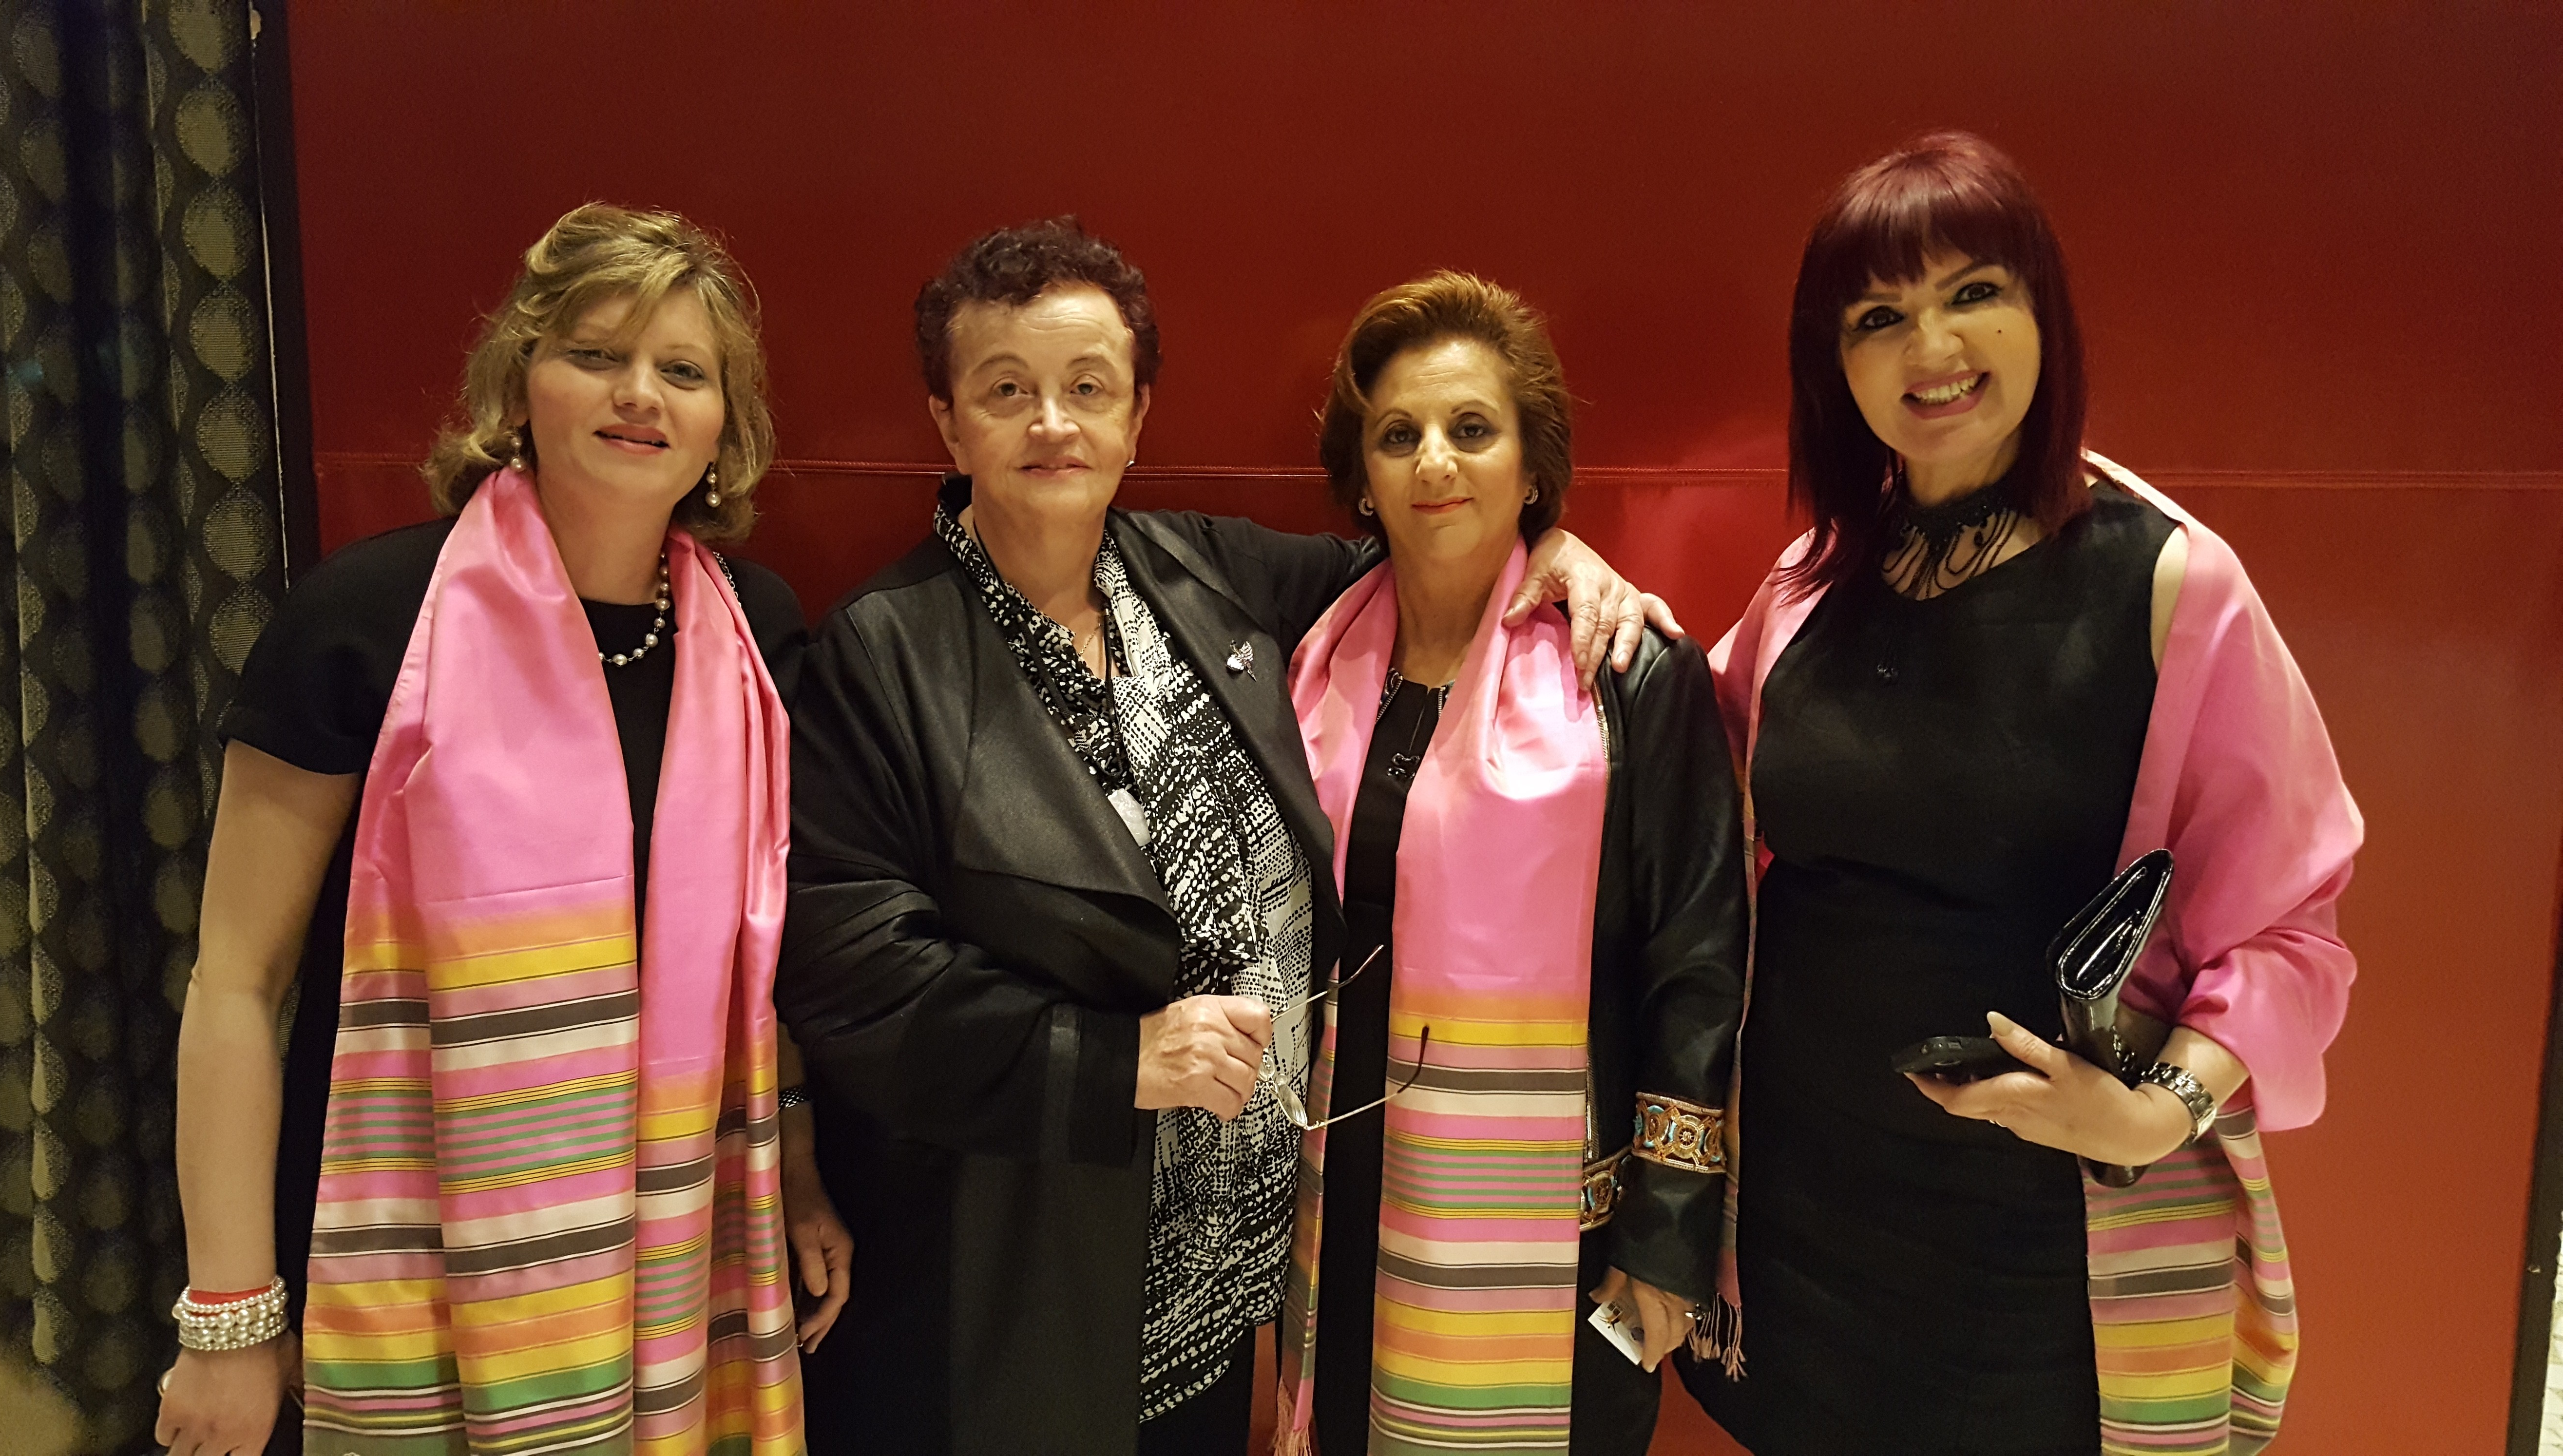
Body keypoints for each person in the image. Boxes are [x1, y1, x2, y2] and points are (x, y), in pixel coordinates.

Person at [776, 219, 1675, 1456]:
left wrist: (1554, 544)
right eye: (1007, 390)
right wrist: (1116, 1061)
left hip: (1228, 1278)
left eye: (1089, 388)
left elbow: (1430, 549)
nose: (1052, 423)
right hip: (1015, 1267)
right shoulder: (880, 652)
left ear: (1138, 416)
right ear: (947, 422)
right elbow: (853, 973)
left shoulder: (1207, 576)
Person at [1683, 134, 2362, 1456]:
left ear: (2043, 311)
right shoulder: (1811, 582)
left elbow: (2293, 929)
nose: (1930, 346)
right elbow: (1677, 765)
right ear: (1836, 364)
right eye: (1879, 316)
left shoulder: (2167, 583)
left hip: (2045, 1244)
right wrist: (1570, 576)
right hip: (1805, 1209)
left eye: (1972, 293)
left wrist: (2160, 1106)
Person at [153, 205, 846, 1456]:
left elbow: (757, 961)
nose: (639, 394)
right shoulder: (366, 619)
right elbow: (236, 981)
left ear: (722, 427)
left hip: (684, 1249)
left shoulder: (757, 635)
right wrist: (231, 1316)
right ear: (519, 385)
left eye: (683, 371)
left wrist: (792, 1162)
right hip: (408, 1247)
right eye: (594, 354)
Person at [1273, 273, 1748, 1456]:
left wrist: (1668, 1234)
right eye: (1399, 435)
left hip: (1557, 1226)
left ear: (1533, 467)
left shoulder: (1626, 673)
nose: (1435, 461)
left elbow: (1697, 963)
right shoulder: (1306, 659)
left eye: (1472, 429)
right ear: (1363, 479)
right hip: (1338, 1190)